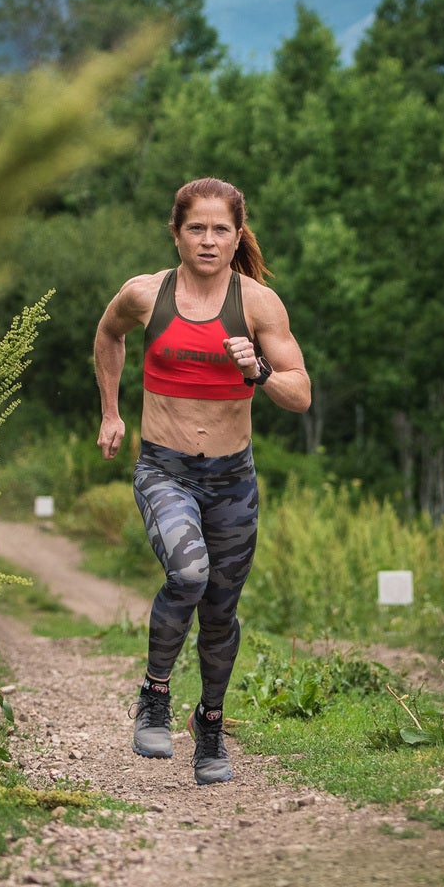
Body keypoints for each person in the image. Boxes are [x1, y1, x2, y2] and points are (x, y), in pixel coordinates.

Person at [93, 177, 311, 784]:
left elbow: (300, 394)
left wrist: (260, 370)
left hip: (232, 480)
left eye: (221, 229)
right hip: (165, 469)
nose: (208, 240)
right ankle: (154, 696)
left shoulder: (259, 304)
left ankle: (209, 723)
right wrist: (111, 412)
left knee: (221, 610)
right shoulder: (145, 296)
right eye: (197, 228)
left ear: (237, 234)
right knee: (188, 573)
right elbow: (108, 334)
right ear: (176, 233)